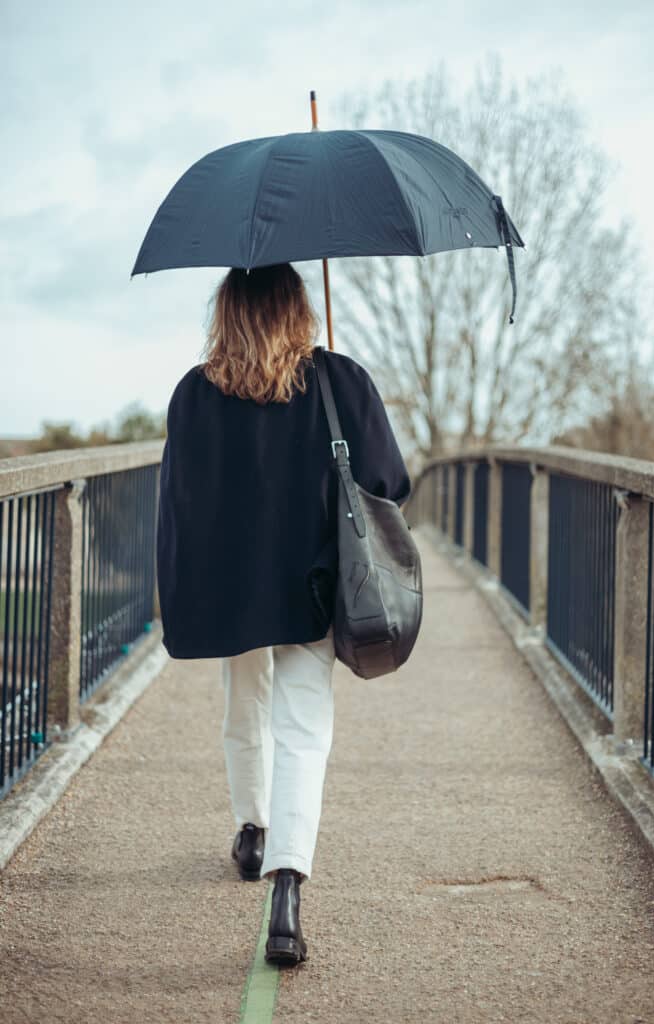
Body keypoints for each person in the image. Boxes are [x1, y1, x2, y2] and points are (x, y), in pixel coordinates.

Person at [156, 262, 411, 966]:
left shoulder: (192, 394)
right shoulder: (338, 380)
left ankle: (250, 829)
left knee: (244, 705)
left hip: (229, 587)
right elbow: (388, 484)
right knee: (302, 729)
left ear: (227, 311)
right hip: (313, 583)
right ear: (299, 308)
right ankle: (286, 889)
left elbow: (178, 504)